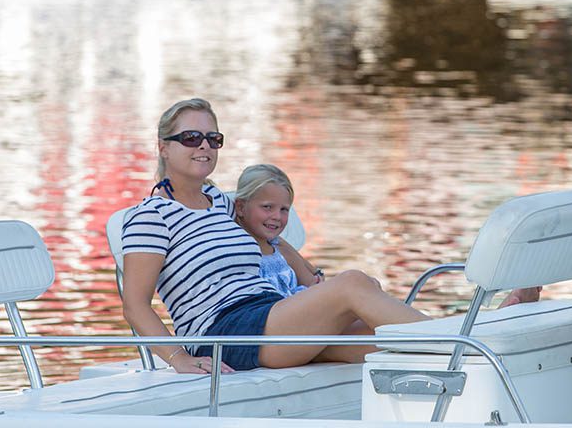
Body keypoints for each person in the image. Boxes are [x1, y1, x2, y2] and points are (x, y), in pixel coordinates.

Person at [121, 98, 429, 374]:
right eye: (191, 138)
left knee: (379, 339)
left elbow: (272, 239)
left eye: (213, 139)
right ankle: (458, 341)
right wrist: (178, 357)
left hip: (269, 312)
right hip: (225, 330)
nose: (204, 146)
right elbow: (135, 305)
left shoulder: (221, 204)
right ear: (164, 147)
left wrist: (311, 276)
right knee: (353, 284)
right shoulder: (151, 216)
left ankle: (460, 358)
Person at [234, 163, 323, 298]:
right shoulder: (235, 253)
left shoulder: (281, 251)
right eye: (267, 207)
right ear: (240, 207)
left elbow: (315, 285)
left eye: (284, 209)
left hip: (303, 314)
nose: (277, 217)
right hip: (270, 316)